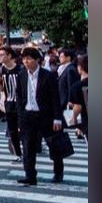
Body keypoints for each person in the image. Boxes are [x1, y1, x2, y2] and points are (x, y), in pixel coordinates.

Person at [14, 47, 65, 185]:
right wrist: (20, 118)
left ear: (37, 59)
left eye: (29, 58)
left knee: (53, 144)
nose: (26, 61)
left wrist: (57, 118)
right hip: (28, 115)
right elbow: (19, 97)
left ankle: (58, 172)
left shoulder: (48, 75)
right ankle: (30, 175)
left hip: (45, 115)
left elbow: (55, 98)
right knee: (28, 146)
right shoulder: (22, 75)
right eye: (24, 59)